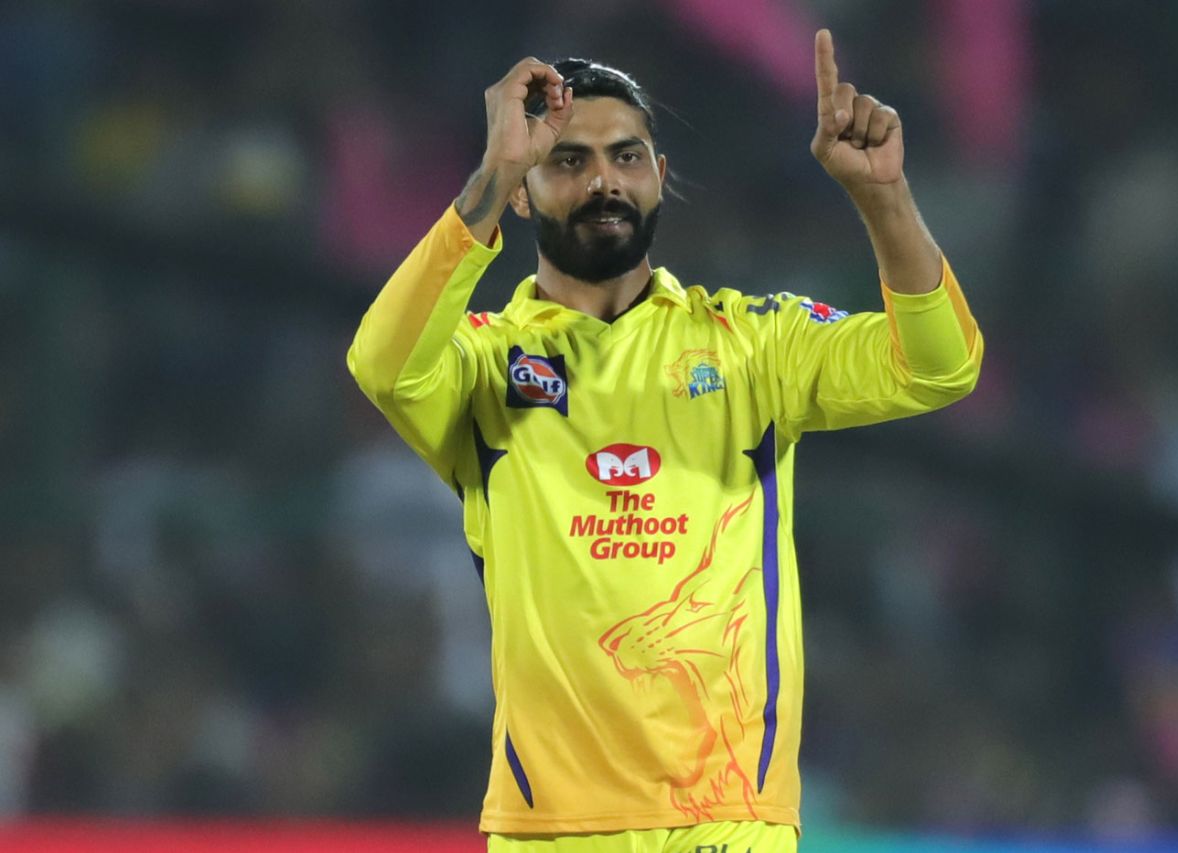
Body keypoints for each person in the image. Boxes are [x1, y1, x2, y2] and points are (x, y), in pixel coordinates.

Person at [347, 29, 983, 853]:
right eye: (567, 161)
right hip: (552, 832)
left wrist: (884, 197)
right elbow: (382, 364)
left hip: (728, 824)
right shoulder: (484, 363)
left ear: (660, 180)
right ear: (524, 193)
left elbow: (939, 367)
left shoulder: (751, 345)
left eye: (627, 157)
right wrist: (492, 170)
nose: (605, 178)